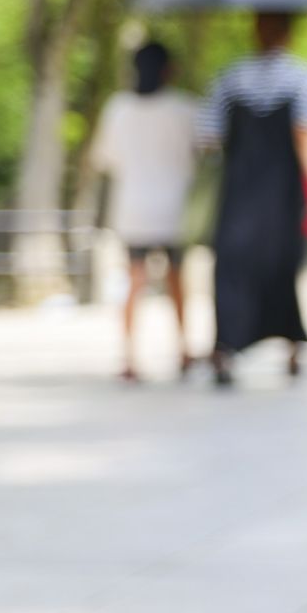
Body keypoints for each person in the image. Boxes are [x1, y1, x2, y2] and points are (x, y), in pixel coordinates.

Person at [197, 12, 307, 389]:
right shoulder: (303, 77)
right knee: (282, 264)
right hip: (282, 193)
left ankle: (227, 346)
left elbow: (209, 138)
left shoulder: (229, 77)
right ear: (290, 34)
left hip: (240, 189)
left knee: (232, 264)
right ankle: (291, 342)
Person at [91, 41, 199, 381]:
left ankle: (129, 356)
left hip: (134, 205)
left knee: (134, 278)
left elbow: (105, 158)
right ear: (170, 69)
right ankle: (183, 348)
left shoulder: (118, 108)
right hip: (174, 206)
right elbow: (202, 152)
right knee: (177, 277)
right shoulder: (185, 108)